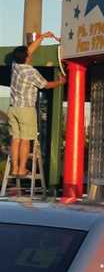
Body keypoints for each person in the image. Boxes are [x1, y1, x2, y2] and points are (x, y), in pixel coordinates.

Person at [8, 32, 66, 177]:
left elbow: (30, 49)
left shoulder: (15, 66)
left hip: (13, 107)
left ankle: (14, 169)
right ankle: (22, 169)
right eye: (29, 54)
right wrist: (60, 82)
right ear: (27, 57)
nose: (31, 54)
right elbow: (46, 85)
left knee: (16, 139)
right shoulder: (30, 71)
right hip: (26, 109)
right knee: (26, 139)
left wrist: (42, 37)